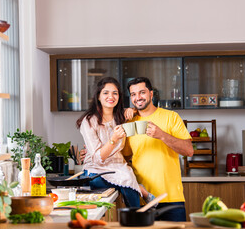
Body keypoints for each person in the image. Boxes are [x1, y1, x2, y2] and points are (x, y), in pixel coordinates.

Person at [123, 77, 194, 221]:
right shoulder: (130, 122)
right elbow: (124, 157)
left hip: (171, 198)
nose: (138, 98)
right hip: (142, 199)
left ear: (151, 94)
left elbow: (189, 151)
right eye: (133, 94)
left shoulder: (171, 117)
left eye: (142, 92)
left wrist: (162, 135)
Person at [76, 77, 151, 207]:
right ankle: (140, 197)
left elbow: (140, 109)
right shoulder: (89, 122)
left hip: (119, 167)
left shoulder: (121, 116)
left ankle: (135, 217)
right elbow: (98, 159)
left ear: (119, 97)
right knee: (128, 180)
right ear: (98, 97)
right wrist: (113, 139)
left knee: (127, 177)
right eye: (105, 93)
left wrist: (132, 110)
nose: (111, 96)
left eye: (115, 93)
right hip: (96, 171)